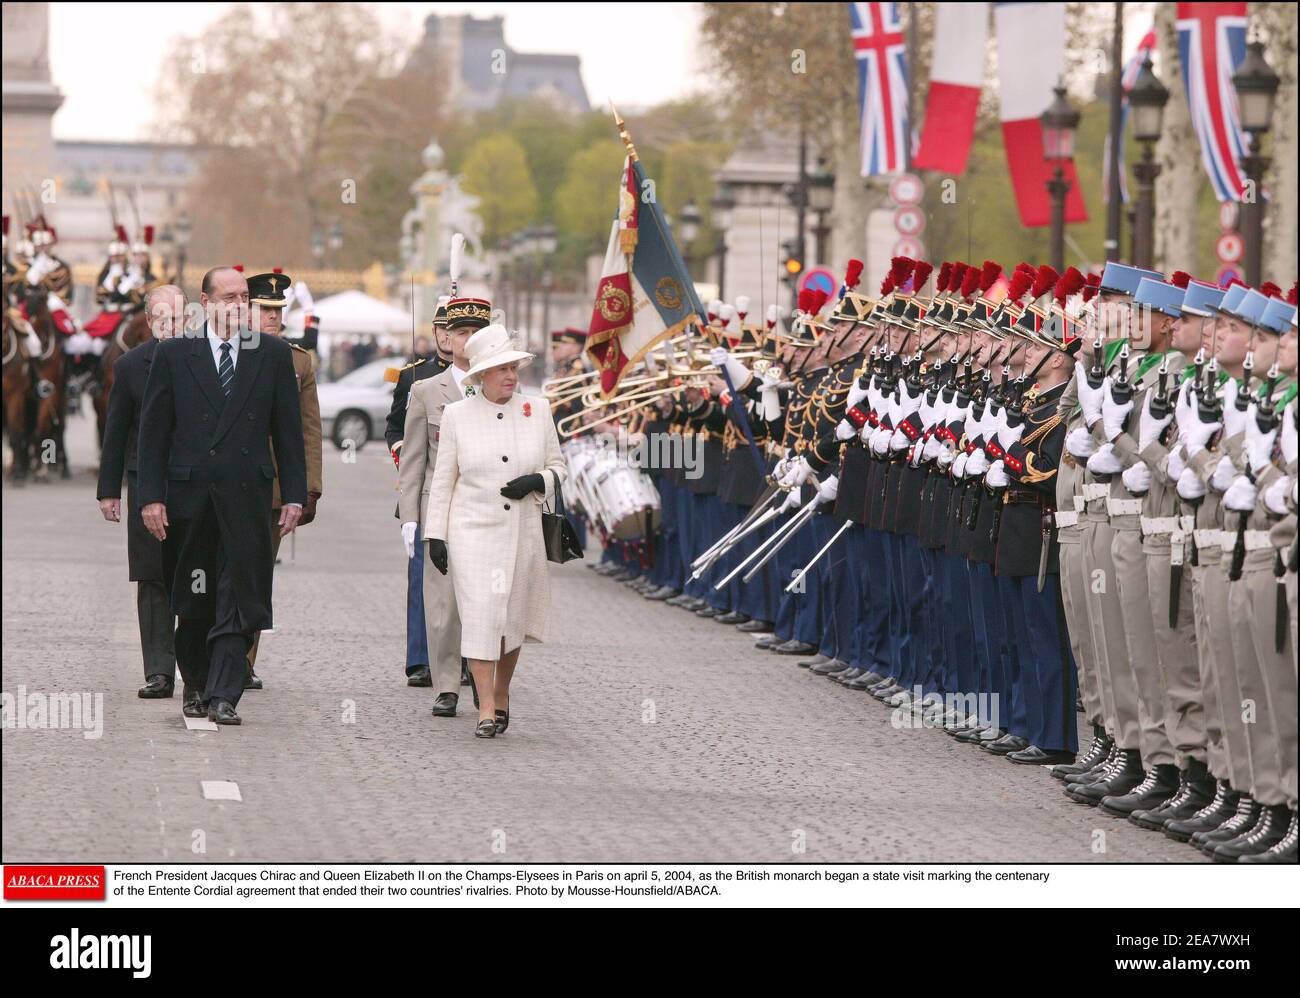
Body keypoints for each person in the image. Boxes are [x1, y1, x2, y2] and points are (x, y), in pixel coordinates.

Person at [137, 266, 307, 725]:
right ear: (206, 303)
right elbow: (153, 434)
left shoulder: (271, 354)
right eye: (228, 297)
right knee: (195, 599)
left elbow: (288, 432)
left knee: (240, 596)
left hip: (248, 498)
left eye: (243, 298)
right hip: (189, 499)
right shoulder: (175, 355)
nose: (238, 305)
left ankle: (226, 693)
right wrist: (150, 498)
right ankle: (195, 682)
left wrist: (294, 495)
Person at [425, 323, 566, 738]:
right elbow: (444, 481)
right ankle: (486, 707)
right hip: (473, 532)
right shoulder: (457, 416)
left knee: (512, 620)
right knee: (483, 616)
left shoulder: (537, 410)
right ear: (482, 374)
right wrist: (437, 535)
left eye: (514, 368)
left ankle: (502, 692)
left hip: (523, 532)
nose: (510, 376)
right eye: (501, 369)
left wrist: (538, 481)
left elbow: (558, 468)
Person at [397, 295, 492, 713]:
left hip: (488, 510)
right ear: (447, 338)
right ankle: (447, 684)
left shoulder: (501, 388)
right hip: (440, 509)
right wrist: (409, 519)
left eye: (477, 334)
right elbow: (414, 460)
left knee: (484, 600)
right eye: (462, 333)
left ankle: (481, 675)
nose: (469, 341)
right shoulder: (424, 389)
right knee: (441, 606)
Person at [96, 284, 186, 698]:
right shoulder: (130, 366)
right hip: (144, 480)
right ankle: (159, 671)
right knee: (152, 576)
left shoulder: (203, 361)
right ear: (149, 322)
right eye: (162, 317)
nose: (170, 324)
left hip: (193, 481)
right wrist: (108, 490)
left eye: (177, 316)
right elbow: (115, 431)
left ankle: (201, 664)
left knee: (195, 573)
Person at [244, 270, 324, 689]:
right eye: (264, 310)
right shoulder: (228, 352)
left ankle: (244, 659)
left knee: (258, 573)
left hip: (274, 489)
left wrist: (309, 489)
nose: (273, 318)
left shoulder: (298, 361)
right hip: (227, 482)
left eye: (277, 310)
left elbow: (310, 430)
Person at [387, 297, 453, 686]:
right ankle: (420, 659)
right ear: (434, 332)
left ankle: (462, 657)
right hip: (424, 491)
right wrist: (401, 455)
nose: (449, 337)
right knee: (421, 579)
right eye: (443, 329)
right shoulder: (413, 377)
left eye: (457, 330)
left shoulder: (480, 376)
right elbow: (395, 427)